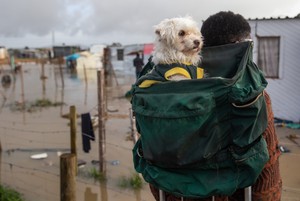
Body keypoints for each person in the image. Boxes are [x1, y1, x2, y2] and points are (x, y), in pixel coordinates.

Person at [149, 11, 282, 201]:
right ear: (241, 45)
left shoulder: (160, 89)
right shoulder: (252, 95)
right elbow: (268, 168)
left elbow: (153, 156)